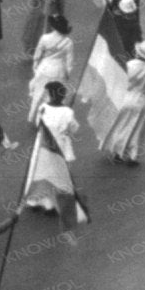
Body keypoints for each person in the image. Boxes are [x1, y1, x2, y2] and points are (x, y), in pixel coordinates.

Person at [26, 82, 89, 235]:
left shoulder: (43, 108)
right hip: (60, 147)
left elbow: (38, 123)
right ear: (62, 95)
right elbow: (73, 127)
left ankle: (37, 200)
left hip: (42, 146)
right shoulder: (67, 112)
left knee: (39, 173)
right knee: (59, 175)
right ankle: (53, 205)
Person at [99, 41, 145, 166]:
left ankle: (117, 153)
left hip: (124, 98)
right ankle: (132, 156)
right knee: (136, 130)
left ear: (137, 53)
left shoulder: (129, 65)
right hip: (140, 102)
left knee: (120, 126)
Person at [28, 15, 75, 123]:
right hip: (59, 71)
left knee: (38, 93)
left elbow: (37, 54)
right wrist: (68, 74)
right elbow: (69, 62)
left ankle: (32, 116)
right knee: (53, 96)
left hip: (44, 68)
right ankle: (44, 120)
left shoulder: (45, 38)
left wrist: (35, 66)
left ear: (54, 27)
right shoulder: (68, 42)